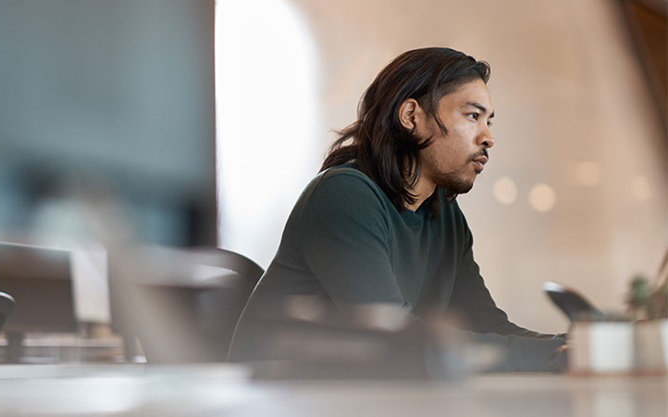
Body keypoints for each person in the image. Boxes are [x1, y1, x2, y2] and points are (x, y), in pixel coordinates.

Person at [230, 47, 565, 371]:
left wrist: (572, 348)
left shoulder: (445, 215)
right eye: (472, 116)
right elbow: (397, 342)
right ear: (411, 116)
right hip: (274, 403)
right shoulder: (344, 196)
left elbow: (486, 324)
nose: (488, 137)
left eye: (489, 121)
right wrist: (553, 356)